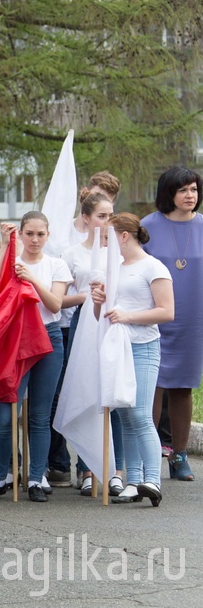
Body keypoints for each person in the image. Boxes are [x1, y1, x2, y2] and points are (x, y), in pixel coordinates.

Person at [0, 212, 71, 503]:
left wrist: (32, 280)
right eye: (29, 234)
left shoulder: (56, 264)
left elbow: (55, 304)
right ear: (22, 234)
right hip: (14, 339)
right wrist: (5, 243)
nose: (35, 240)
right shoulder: (13, 259)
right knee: (6, 416)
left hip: (48, 338)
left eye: (40, 234)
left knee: (40, 416)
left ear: (48, 235)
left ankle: (37, 478)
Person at [93, 213, 173, 506]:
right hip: (118, 348)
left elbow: (167, 311)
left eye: (107, 238)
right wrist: (98, 302)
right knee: (125, 412)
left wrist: (129, 316)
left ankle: (153, 478)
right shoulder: (114, 269)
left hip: (143, 347)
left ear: (123, 236)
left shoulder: (153, 267)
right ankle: (134, 480)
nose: (104, 245)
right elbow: (101, 316)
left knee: (139, 412)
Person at [141, 167, 202, 481]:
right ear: (169, 193)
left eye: (193, 189)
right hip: (154, 320)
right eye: (183, 190)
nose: (190, 196)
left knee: (183, 388)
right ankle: (148, 456)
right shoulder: (147, 227)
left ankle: (179, 456)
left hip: (193, 323)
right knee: (154, 386)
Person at [60, 192, 123, 495]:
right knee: (85, 389)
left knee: (113, 396)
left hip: (114, 324)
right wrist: (89, 297)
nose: (107, 221)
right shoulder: (72, 254)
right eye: (101, 215)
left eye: (111, 215)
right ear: (86, 219)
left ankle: (116, 470)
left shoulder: (121, 250)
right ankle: (86, 469)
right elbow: (59, 298)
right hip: (83, 323)